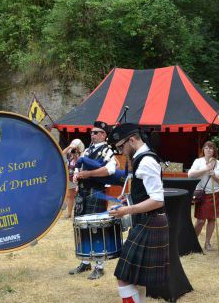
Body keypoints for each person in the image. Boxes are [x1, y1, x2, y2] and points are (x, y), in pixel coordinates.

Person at [108, 123, 168, 303]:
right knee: (135, 277)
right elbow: (147, 193)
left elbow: (158, 200)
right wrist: (130, 199)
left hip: (151, 222)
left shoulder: (147, 161)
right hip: (147, 221)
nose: (121, 152)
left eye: (121, 147)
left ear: (132, 140)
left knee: (123, 276)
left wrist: (127, 209)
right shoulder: (142, 158)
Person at [69, 121, 116, 280]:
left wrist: (87, 174)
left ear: (104, 134)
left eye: (96, 132)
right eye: (92, 132)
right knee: (82, 226)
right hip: (82, 193)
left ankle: (99, 266)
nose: (92, 134)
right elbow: (78, 166)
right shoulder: (87, 150)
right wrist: (76, 173)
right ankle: (85, 261)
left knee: (96, 229)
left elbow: (109, 170)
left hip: (96, 193)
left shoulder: (108, 151)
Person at [187, 141, 219, 251]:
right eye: (206, 148)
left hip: (216, 193)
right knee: (200, 221)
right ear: (203, 150)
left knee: (212, 219)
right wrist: (206, 169)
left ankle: (207, 243)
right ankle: (192, 242)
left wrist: (214, 176)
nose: (208, 150)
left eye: (211, 148)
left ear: (214, 150)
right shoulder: (198, 161)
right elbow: (190, 175)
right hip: (203, 194)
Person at [61, 138, 85, 219]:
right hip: (70, 177)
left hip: (78, 176)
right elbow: (61, 154)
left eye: (76, 146)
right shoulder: (69, 153)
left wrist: (75, 155)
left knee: (80, 196)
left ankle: (80, 213)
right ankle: (69, 213)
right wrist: (69, 147)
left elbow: (79, 163)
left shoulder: (82, 153)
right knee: (69, 196)